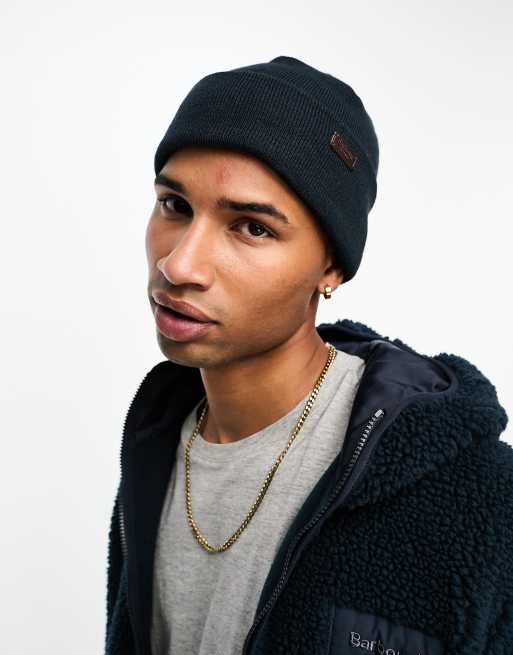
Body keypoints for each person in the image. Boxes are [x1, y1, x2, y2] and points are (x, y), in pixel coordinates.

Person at [104, 56, 512, 655]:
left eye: (252, 227)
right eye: (175, 206)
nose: (179, 264)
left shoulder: (481, 500)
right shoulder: (155, 446)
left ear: (331, 268)